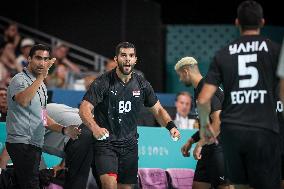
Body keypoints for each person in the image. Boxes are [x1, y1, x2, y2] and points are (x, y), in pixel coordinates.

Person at [197, 1, 281, 189]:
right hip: (263, 130)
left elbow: (203, 99)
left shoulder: (223, 54)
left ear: (237, 23)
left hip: (232, 132)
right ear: (262, 22)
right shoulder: (276, 51)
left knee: (239, 186)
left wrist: (204, 126)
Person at [78, 41, 180, 189]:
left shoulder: (142, 84)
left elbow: (158, 110)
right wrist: (95, 128)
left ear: (135, 60)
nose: (127, 59)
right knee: (109, 185)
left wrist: (171, 126)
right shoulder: (102, 82)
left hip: (130, 146)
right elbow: (84, 108)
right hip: (106, 144)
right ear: (116, 59)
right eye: (123, 55)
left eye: (131, 56)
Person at [5, 44, 81, 189]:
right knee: (31, 184)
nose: (42, 62)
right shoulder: (19, 79)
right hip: (21, 142)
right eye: (38, 58)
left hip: (35, 144)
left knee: (32, 183)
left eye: (45, 59)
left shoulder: (42, 87)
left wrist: (65, 130)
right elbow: (23, 100)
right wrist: (40, 78)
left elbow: (43, 118)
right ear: (29, 59)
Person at [175, 57, 230, 189]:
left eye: (180, 75)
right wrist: (191, 140)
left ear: (186, 71)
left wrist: (200, 143)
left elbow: (219, 121)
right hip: (208, 148)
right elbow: (208, 125)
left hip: (221, 148)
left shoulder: (206, 88)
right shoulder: (198, 89)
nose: (180, 80)